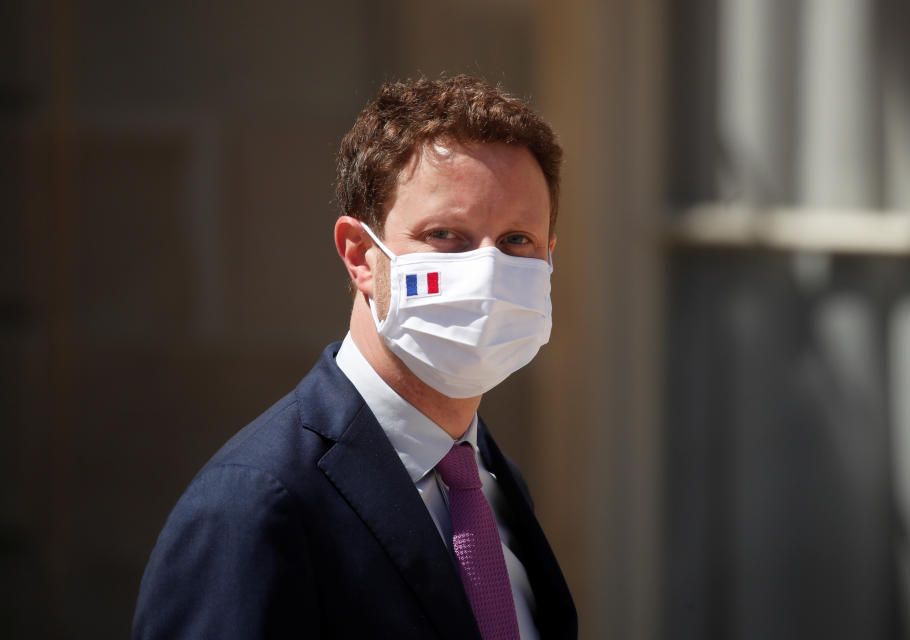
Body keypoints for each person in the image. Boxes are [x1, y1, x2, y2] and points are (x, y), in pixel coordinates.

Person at [132, 75, 577, 640]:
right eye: (446, 234)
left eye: (517, 240)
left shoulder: (493, 482)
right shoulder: (253, 505)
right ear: (361, 255)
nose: (487, 268)